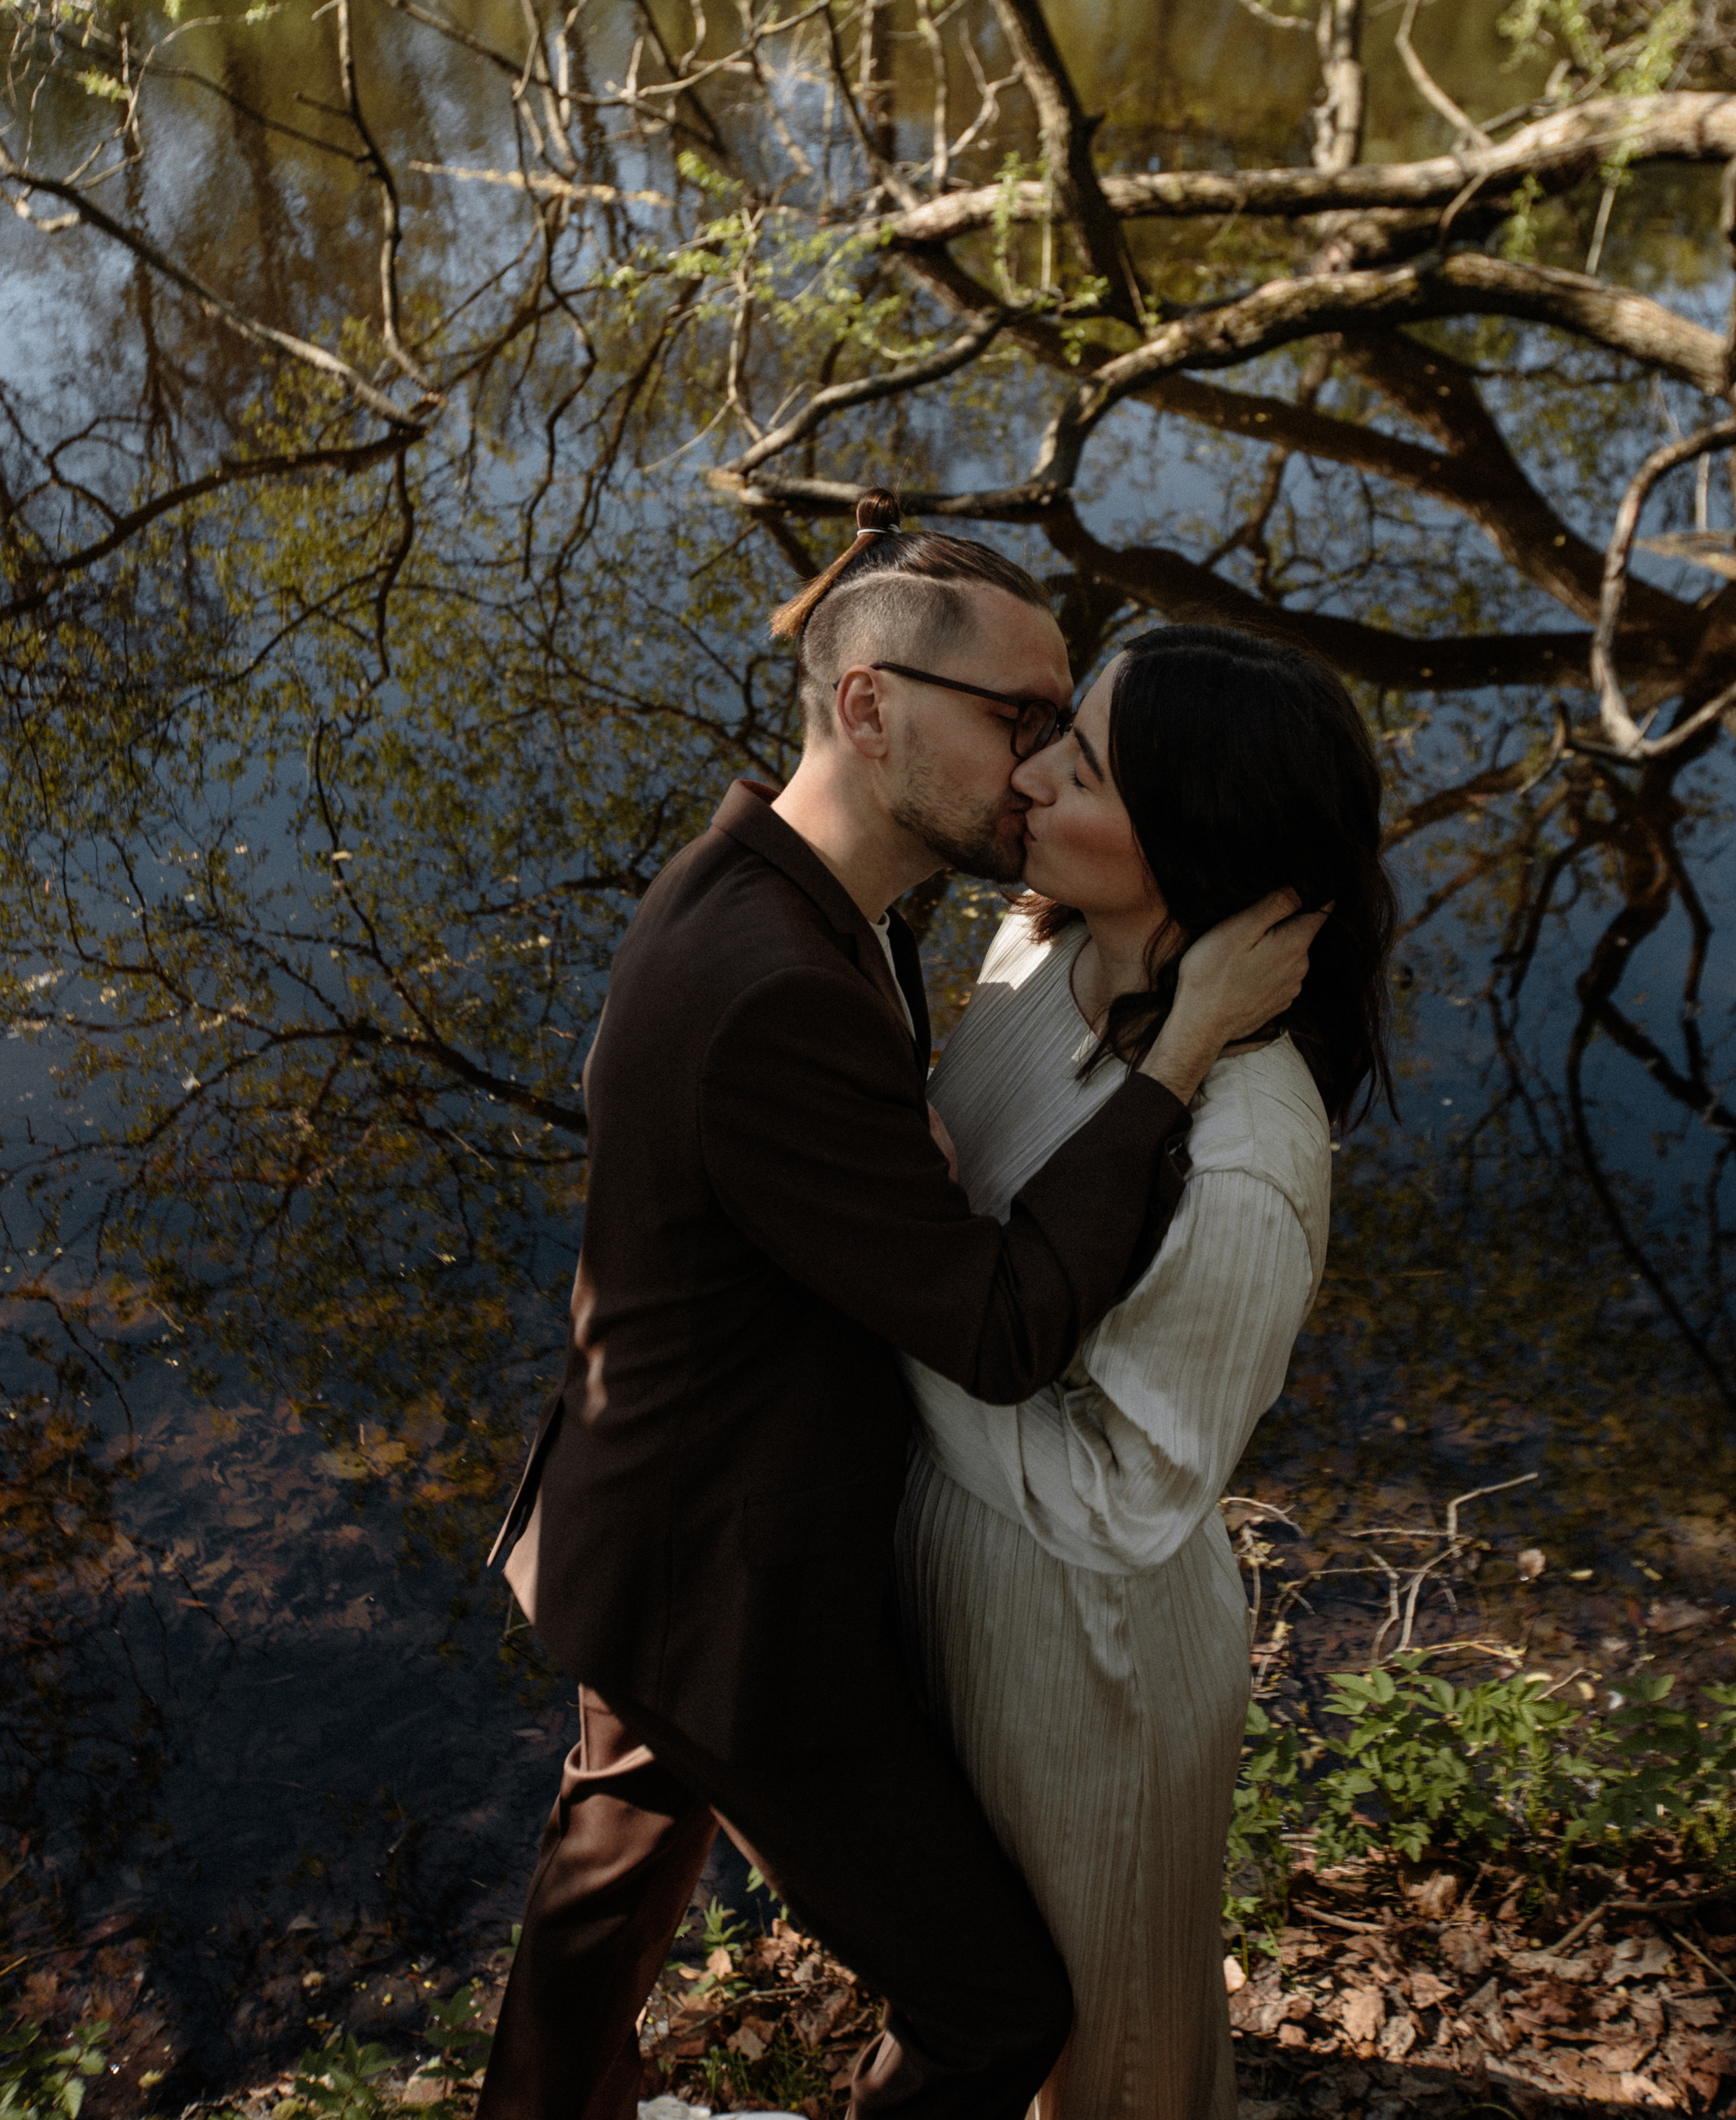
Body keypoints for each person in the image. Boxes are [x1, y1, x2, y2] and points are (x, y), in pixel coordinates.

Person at [477, 502, 1325, 2120]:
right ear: (867, 707)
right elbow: (1002, 1335)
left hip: (623, 1514)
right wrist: (1174, 1047)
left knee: (604, 1887)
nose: (1034, 770)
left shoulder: (766, 884)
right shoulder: (778, 980)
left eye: (1060, 733)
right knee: (993, 2007)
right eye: (1015, 723)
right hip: (731, 1583)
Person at [895, 624, 1397, 2120]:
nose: (1025, 775)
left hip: (1085, 1653)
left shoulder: (1246, 1153)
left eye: (1082, 763)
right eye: (1051, 730)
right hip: (953, 1572)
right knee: (991, 2000)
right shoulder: (1030, 951)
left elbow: (1127, 1501)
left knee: (1107, 2046)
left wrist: (882, 1323)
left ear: (1193, 842)